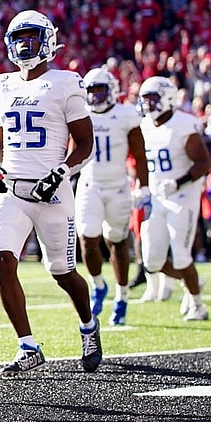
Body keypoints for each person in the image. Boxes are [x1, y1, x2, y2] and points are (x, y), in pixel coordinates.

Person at [0, 10, 100, 376]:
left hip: (52, 192)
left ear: (47, 41)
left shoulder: (65, 82)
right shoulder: (0, 85)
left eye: (31, 36)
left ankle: (88, 326)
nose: (24, 44)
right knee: (3, 260)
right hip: (12, 191)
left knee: (63, 273)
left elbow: (85, 143)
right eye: (18, 37)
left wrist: (61, 171)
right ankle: (27, 346)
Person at [74, 67, 149, 326]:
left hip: (117, 185)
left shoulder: (126, 115)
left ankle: (122, 297)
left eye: (99, 90)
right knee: (87, 238)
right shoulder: (81, 113)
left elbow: (139, 155)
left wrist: (144, 187)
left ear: (112, 91)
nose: (94, 96)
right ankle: (98, 285)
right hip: (89, 184)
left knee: (117, 242)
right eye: (91, 91)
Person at [137, 76, 211, 321]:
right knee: (152, 261)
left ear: (167, 98)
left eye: (153, 98)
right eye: (145, 99)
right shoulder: (145, 125)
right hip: (158, 197)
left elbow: (203, 163)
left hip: (183, 196)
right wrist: (141, 186)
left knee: (180, 254)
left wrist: (179, 182)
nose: (148, 104)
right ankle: (193, 281)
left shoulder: (183, 124)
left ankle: (198, 305)